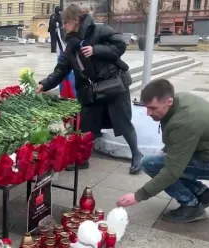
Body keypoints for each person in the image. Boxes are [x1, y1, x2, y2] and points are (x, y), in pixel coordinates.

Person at [36, 4, 142, 174]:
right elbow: (61, 69)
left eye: (66, 22)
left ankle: (137, 154)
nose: (64, 26)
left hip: (114, 84)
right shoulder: (71, 43)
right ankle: (82, 159)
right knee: (87, 127)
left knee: (123, 122)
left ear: (76, 20)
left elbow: (120, 45)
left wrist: (96, 50)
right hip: (91, 89)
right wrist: (45, 84)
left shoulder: (100, 30)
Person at [117, 79, 209, 223]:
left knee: (150, 164)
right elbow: (179, 139)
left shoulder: (186, 120)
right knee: (160, 160)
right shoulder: (179, 101)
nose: (148, 113)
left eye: (153, 108)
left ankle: (191, 206)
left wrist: (138, 195)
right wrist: (167, 150)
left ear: (168, 101)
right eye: (147, 107)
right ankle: (204, 194)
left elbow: (173, 170)